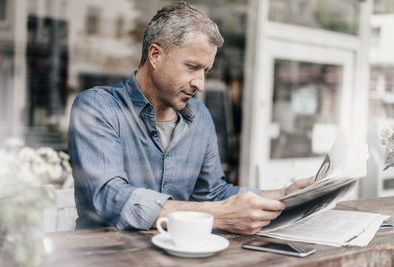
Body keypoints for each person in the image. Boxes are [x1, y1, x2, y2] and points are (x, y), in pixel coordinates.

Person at [68, 1, 314, 235]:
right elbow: (110, 198)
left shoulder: (200, 117)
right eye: (192, 67)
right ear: (155, 55)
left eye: (205, 71)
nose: (201, 84)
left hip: (177, 255)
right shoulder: (97, 107)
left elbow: (213, 193)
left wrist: (284, 194)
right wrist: (219, 216)